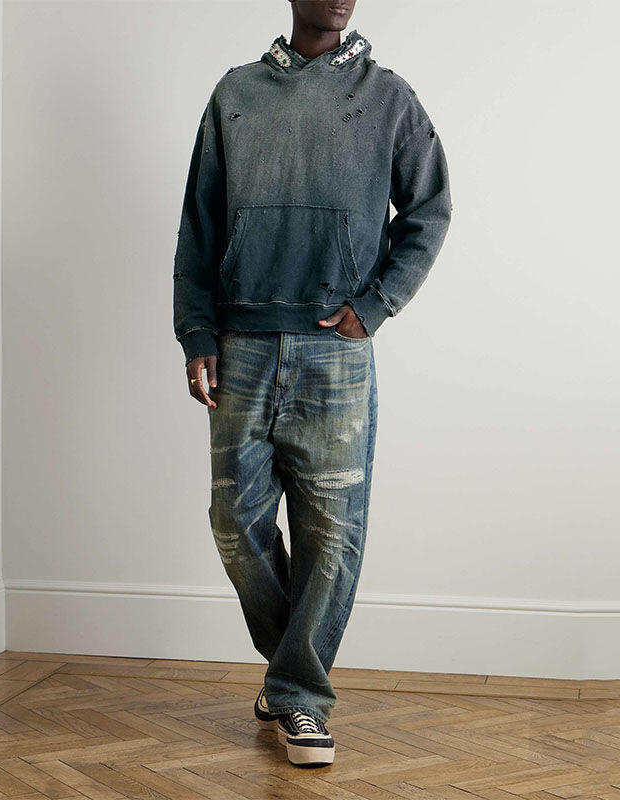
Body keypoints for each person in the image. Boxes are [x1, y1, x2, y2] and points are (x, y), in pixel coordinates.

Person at [172, 0, 452, 767]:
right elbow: (199, 225)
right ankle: (293, 668)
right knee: (234, 523)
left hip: (337, 350)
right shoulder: (235, 93)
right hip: (241, 345)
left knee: (333, 534)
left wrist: (378, 303)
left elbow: (429, 208)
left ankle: (298, 695)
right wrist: (196, 331)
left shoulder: (388, 97)